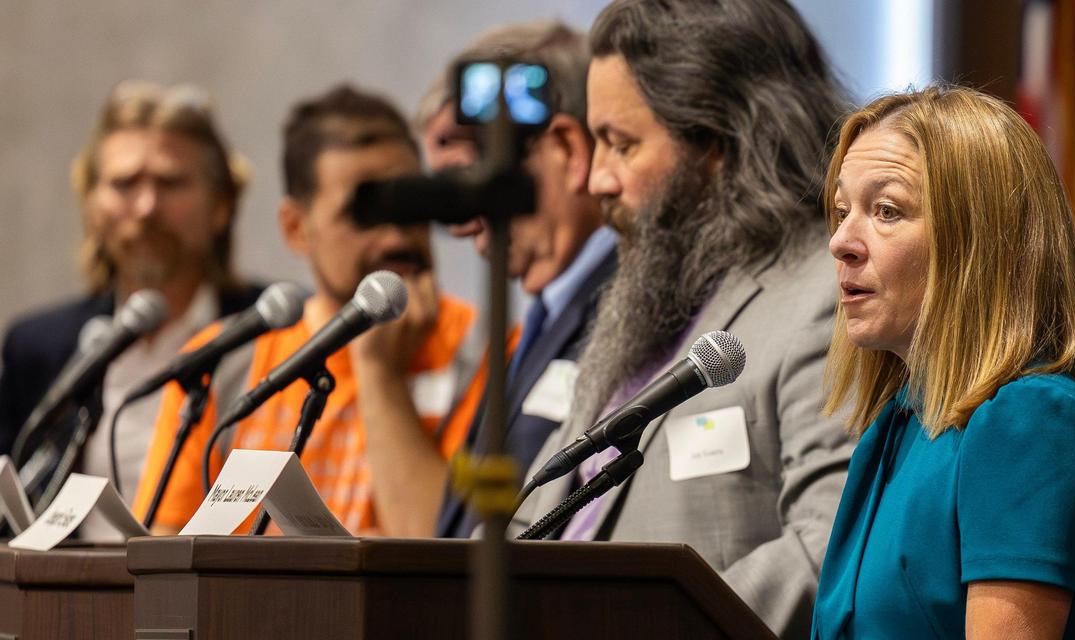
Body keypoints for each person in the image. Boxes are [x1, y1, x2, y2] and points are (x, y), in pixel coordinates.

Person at [509, 1, 854, 635]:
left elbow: (828, 545)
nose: (597, 180)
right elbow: (544, 514)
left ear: (721, 142)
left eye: (622, 144)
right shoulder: (642, 299)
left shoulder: (829, 295)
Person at [811, 86, 1075, 639]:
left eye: (885, 210)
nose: (841, 241)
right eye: (840, 211)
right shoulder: (897, 423)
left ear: (977, 239)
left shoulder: (1030, 419)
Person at [134, 85, 487, 536]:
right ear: (297, 228)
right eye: (364, 212)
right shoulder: (224, 360)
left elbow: (440, 556)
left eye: (410, 202)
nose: (397, 235)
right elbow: (164, 557)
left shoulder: (489, 349)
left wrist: (378, 371)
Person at [0, 81, 262, 517]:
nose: (146, 207)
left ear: (221, 205)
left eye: (170, 182)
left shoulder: (280, 327)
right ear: (91, 207)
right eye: (124, 184)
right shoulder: (38, 348)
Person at [416, 20, 617, 539]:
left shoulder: (630, 314)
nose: (459, 224)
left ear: (568, 152)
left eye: (468, 180)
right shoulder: (539, 317)